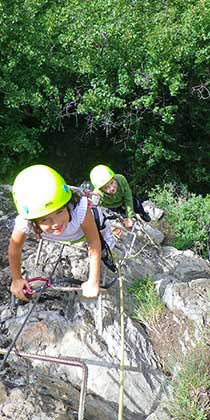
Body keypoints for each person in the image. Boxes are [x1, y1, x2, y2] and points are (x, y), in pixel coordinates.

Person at [9, 165, 114, 302]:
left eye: (60, 212)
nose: (56, 223)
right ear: (33, 221)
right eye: (45, 219)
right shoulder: (26, 222)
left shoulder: (79, 209)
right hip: (70, 235)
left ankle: (111, 240)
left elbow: (93, 242)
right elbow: (14, 248)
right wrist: (17, 279)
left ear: (66, 205)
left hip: (89, 229)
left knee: (105, 236)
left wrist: (93, 280)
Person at [90, 165, 151, 235]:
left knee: (137, 205)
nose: (111, 188)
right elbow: (98, 212)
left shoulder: (121, 179)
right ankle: (131, 225)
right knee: (123, 216)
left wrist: (130, 216)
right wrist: (110, 226)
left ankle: (142, 213)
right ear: (100, 189)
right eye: (106, 188)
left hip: (124, 198)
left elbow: (128, 198)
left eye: (112, 183)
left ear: (113, 178)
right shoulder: (97, 196)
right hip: (113, 206)